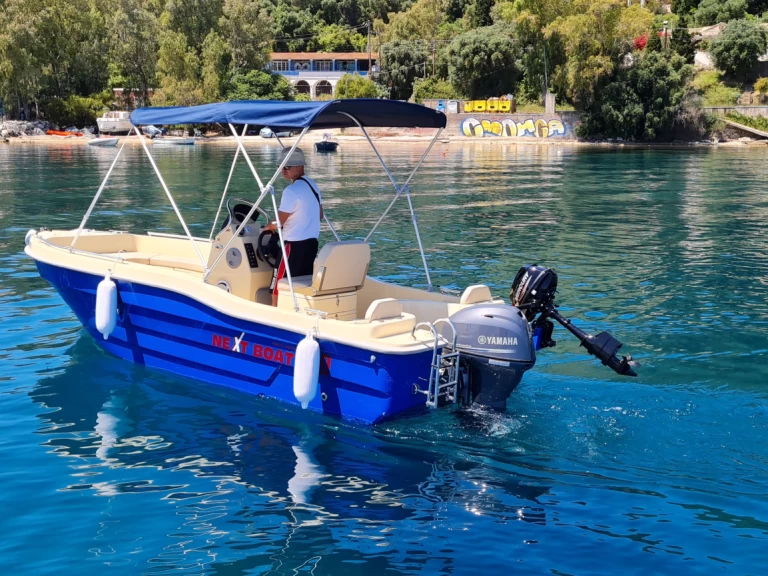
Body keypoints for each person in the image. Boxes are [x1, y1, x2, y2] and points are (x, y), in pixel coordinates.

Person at [264, 147, 323, 306]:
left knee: (277, 285)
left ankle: (275, 313)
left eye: (287, 166)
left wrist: (267, 228)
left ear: (299, 166)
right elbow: (320, 214)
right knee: (301, 282)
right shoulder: (313, 185)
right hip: (311, 245)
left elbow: (278, 222)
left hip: (291, 247)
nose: (283, 170)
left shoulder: (291, 191)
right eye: (280, 166)